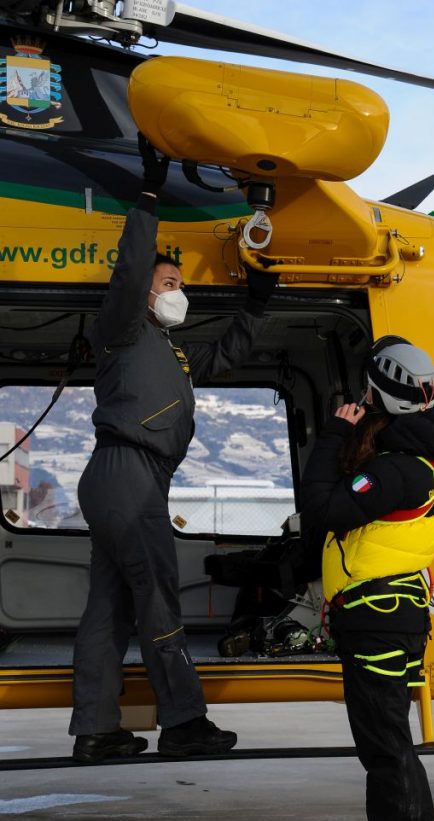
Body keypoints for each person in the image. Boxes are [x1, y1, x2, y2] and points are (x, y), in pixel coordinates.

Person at [69, 135, 279, 763]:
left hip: (134, 479)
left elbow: (225, 355)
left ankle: (96, 729)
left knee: (107, 607)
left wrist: (259, 305)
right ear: (146, 292)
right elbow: (131, 271)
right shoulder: (121, 331)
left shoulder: (174, 350)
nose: (176, 287)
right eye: (169, 280)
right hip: (126, 473)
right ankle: (184, 721)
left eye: (180, 281)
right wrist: (149, 197)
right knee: (157, 593)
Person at [301, 336, 434, 821]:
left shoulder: (396, 471)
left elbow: (322, 511)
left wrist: (333, 437)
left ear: (379, 398)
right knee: (395, 749)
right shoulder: (413, 458)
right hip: (388, 617)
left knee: (385, 755)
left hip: (378, 622)